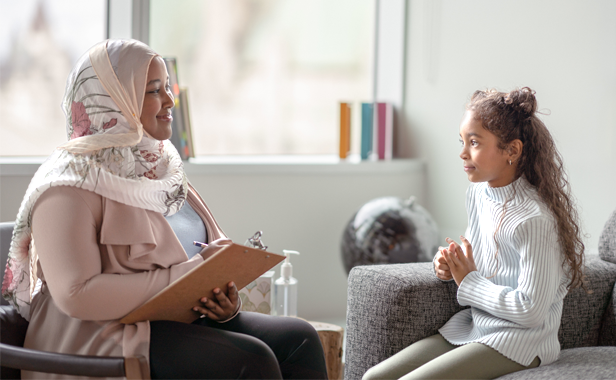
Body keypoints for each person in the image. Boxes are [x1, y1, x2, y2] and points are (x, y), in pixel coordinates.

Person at [1, 39, 327, 380]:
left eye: (168, 87)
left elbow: (206, 253)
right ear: (114, 99)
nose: (171, 100)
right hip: (103, 340)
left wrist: (224, 305)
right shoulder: (67, 185)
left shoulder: (161, 168)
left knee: (299, 339)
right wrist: (190, 273)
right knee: (251, 359)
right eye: (154, 90)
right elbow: (75, 295)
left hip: (179, 322)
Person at [363, 87, 586, 380]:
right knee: (373, 378)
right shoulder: (479, 194)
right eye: (462, 141)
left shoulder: (534, 219)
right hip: (475, 326)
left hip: (520, 341)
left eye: (475, 142)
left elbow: (531, 310)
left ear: (512, 150)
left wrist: (468, 281)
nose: (463, 152)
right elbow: (473, 258)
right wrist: (447, 265)